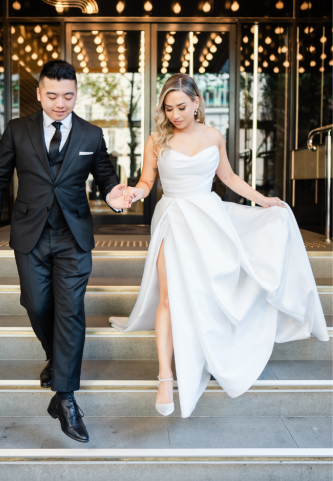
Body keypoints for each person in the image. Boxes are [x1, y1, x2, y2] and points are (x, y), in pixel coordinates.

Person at [113, 73, 329, 418]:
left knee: (210, 290)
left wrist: (262, 200)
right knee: (169, 296)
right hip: (172, 217)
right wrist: (132, 194)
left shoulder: (214, 136)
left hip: (210, 219)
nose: (175, 115)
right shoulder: (157, 139)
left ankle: (212, 350)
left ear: (197, 102)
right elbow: (146, 182)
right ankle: (165, 378)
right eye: (168, 109)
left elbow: (227, 177)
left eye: (182, 107)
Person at [0, 60, 132, 443]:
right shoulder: (17, 130)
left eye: (67, 95)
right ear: (38, 93)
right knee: (37, 304)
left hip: (73, 236)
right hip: (30, 233)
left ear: (76, 92)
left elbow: (107, 178)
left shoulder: (91, 135)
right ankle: (57, 360)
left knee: (70, 310)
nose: (60, 103)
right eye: (52, 96)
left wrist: (116, 196)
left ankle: (65, 398)